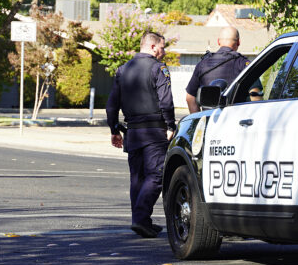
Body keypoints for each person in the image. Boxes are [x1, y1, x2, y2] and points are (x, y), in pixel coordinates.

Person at [106, 32, 176, 238]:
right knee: (157, 174)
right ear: (153, 47)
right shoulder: (158, 68)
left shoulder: (122, 70)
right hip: (154, 130)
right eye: (162, 48)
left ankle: (142, 221)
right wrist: (170, 125)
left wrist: (113, 129)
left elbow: (111, 105)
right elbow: (166, 100)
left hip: (133, 132)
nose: (163, 52)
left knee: (137, 177)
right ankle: (140, 217)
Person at [185, 26, 251, 113]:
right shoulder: (243, 63)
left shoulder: (202, 64)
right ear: (238, 42)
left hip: (210, 122)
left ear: (218, 41)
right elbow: (255, 93)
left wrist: (199, 120)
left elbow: (190, 98)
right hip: (236, 122)